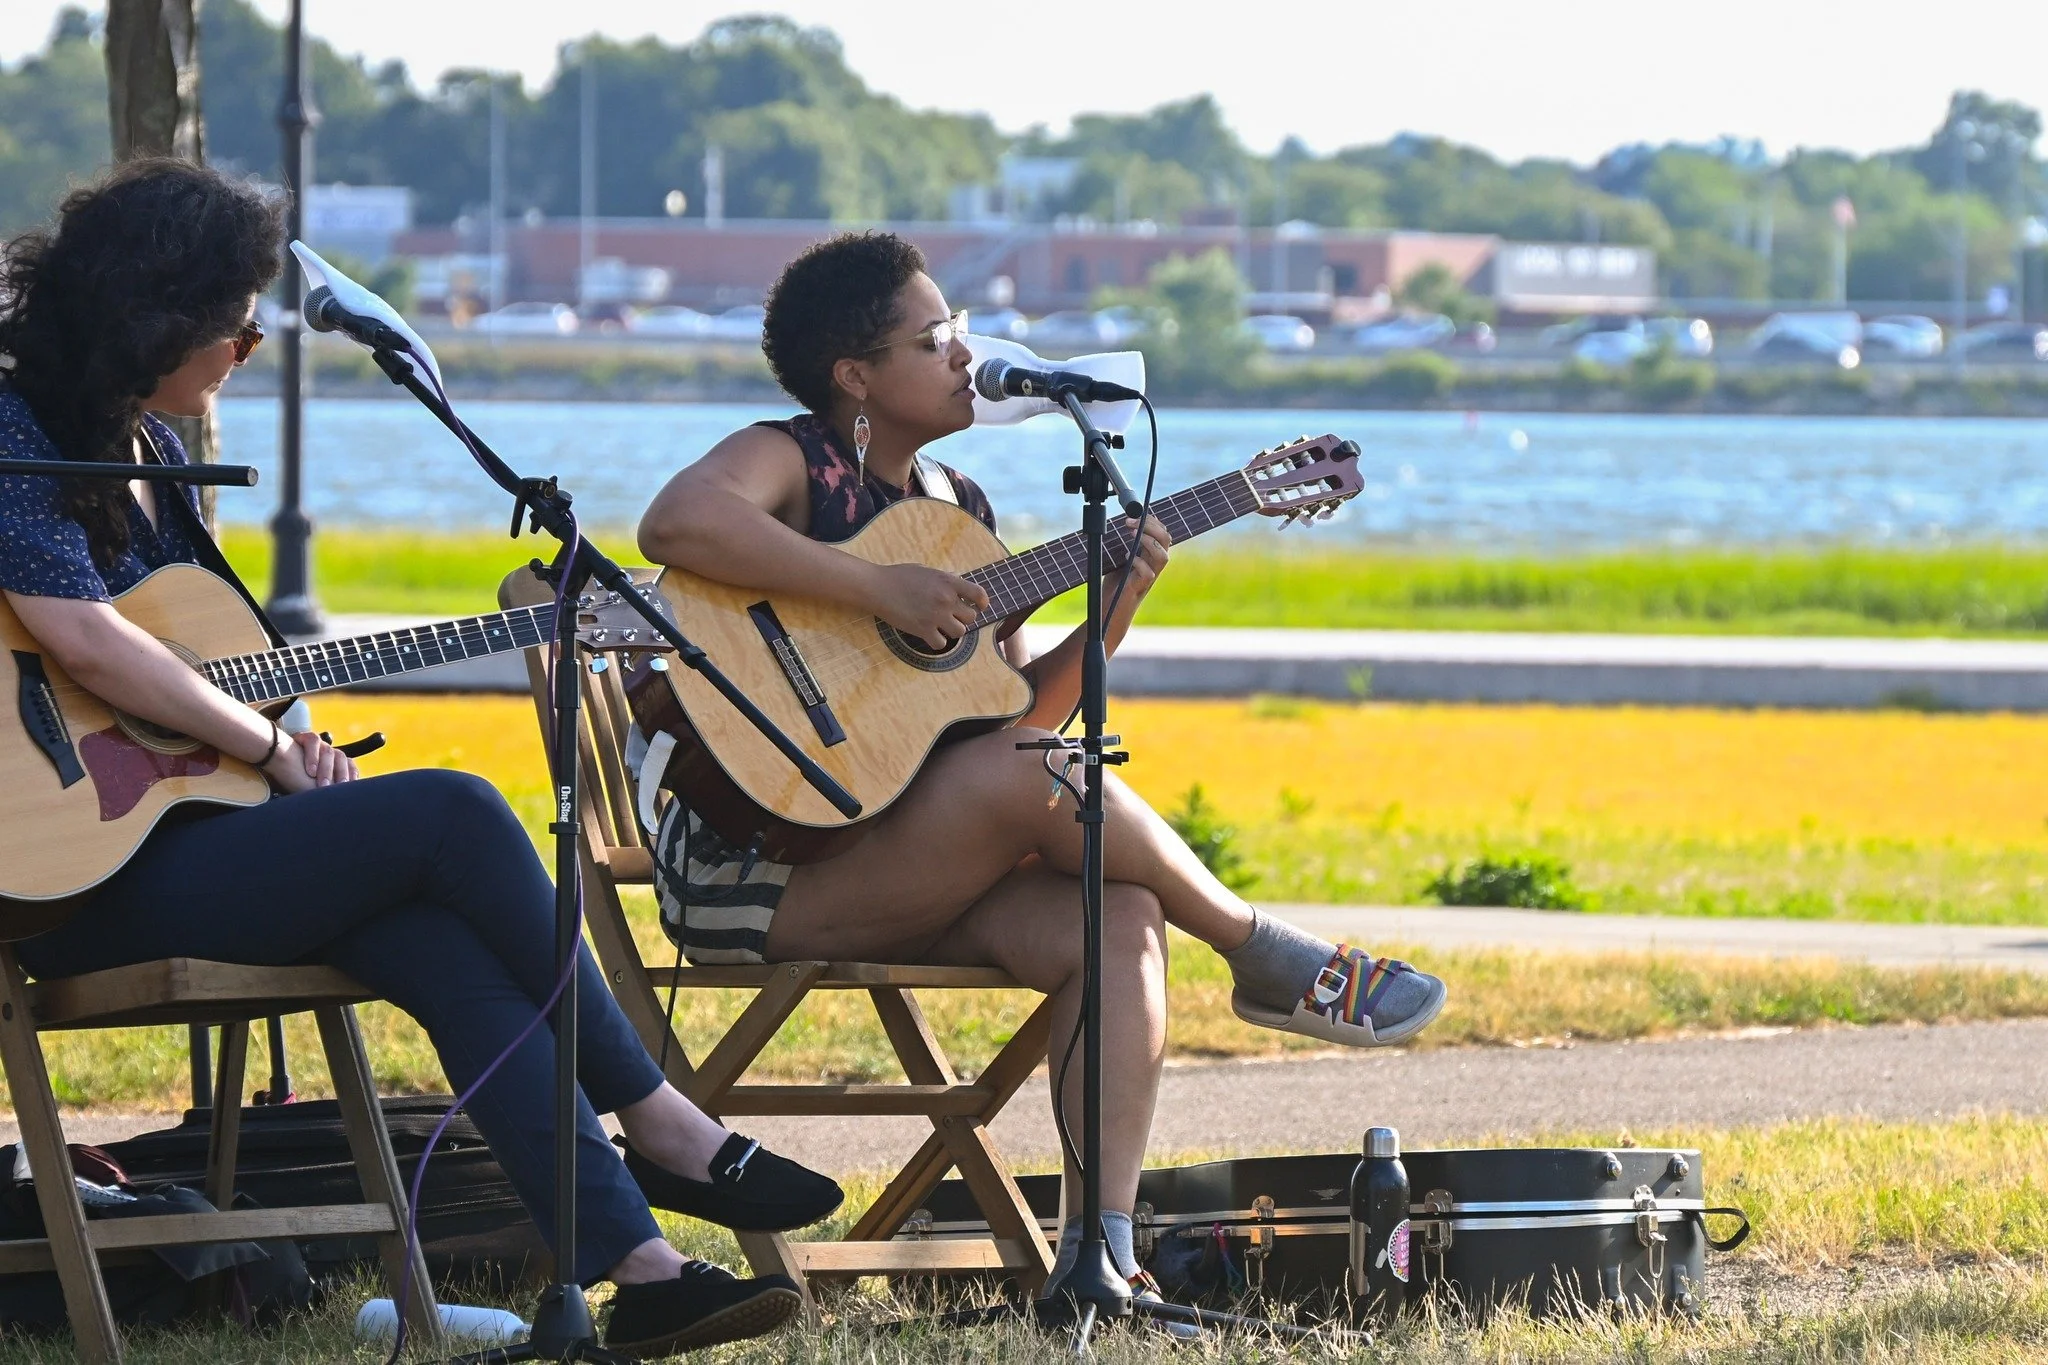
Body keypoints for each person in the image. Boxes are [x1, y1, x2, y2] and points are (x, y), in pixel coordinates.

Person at [0, 159, 834, 1359]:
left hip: (184, 840)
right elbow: (83, 638)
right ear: (155, 319)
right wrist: (262, 746)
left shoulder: (146, 453)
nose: (246, 354)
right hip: (65, 873)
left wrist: (278, 742)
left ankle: (644, 1272)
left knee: (431, 940)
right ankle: (657, 1118)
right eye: (234, 332)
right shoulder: (17, 429)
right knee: (451, 810)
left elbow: (179, 658)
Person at [634, 231, 1448, 1298]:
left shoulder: (959, 508)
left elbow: (1007, 713)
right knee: (1037, 771)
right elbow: (675, 522)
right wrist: (878, 593)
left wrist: (1113, 606)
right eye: (934, 338)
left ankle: (1096, 1256)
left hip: (901, 851)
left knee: (1117, 916)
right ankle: (1259, 949)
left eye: (961, 327)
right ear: (855, 377)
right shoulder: (789, 457)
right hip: (762, 867)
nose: (966, 353)